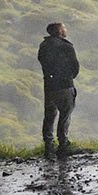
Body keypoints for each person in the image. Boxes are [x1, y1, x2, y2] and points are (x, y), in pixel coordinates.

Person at [37, 22, 80, 159]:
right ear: (59, 31)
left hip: (49, 86)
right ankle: (63, 145)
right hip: (64, 85)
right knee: (65, 115)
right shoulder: (66, 46)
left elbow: (41, 61)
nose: (66, 29)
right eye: (64, 28)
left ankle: (48, 147)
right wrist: (68, 77)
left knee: (49, 115)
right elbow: (75, 66)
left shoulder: (44, 46)